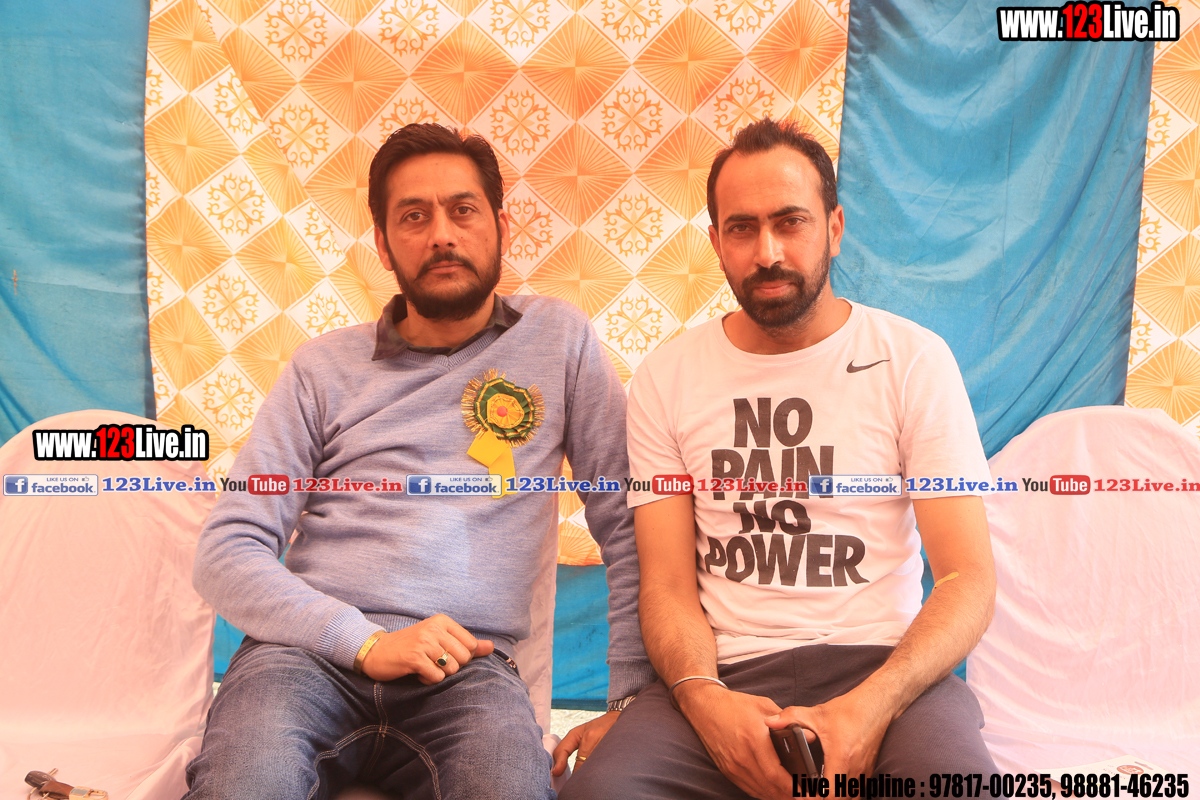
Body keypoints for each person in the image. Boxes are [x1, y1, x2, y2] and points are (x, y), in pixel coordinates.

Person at [185, 123, 654, 800]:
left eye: (462, 210)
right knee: (244, 787)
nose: (441, 234)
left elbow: (629, 524)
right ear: (382, 244)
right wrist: (364, 642)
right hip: (301, 661)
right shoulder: (321, 368)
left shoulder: (559, 341)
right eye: (413, 216)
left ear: (501, 226)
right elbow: (226, 551)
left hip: (468, 670)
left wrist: (629, 702)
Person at [559, 117, 998, 800]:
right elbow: (667, 585)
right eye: (742, 228)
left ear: (835, 226)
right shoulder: (668, 377)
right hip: (721, 673)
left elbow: (968, 577)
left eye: (790, 222)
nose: (767, 252)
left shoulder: (913, 360)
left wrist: (873, 706)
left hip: (885, 669)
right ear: (716, 242)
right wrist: (704, 701)